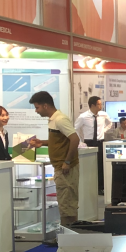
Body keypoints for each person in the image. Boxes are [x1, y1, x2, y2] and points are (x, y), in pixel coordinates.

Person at [29, 91, 80, 226]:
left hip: (65, 169)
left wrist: (67, 161)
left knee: (67, 205)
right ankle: (67, 233)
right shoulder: (53, 120)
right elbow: (61, 141)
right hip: (60, 168)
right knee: (65, 204)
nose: (36, 111)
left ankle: (68, 234)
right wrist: (42, 143)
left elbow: (75, 139)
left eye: (37, 107)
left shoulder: (59, 119)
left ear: (45, 106)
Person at [74, 96, 112, 194]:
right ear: (92, 105)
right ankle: (89, 186)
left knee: (101, 165)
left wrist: (103, 131)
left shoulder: (103, 114)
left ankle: (100, 187)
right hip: (89, 142)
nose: (101, 106)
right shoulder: (83, 116)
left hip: (100, 141)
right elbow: (76, 128)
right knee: (89, 165)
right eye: (99, 104)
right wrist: (81, 140)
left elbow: (110, 123)